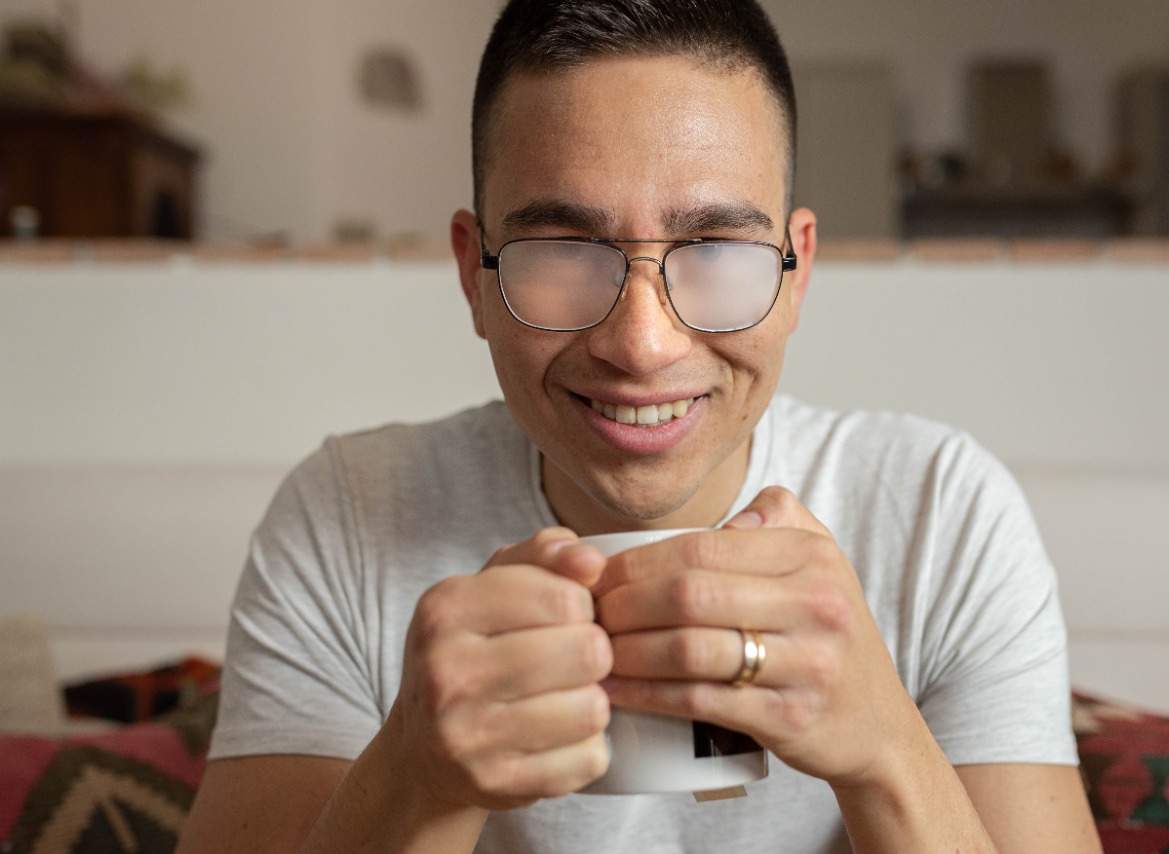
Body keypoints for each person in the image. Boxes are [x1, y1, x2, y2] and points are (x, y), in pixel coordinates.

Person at [178, 1, 1102, 852]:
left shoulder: (939, 513)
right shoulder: (346, 516)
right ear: (474, 276)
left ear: (795, 274)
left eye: (716, 252)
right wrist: (415, 779)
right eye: (563, 252)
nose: (643, 345)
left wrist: (887, 752)